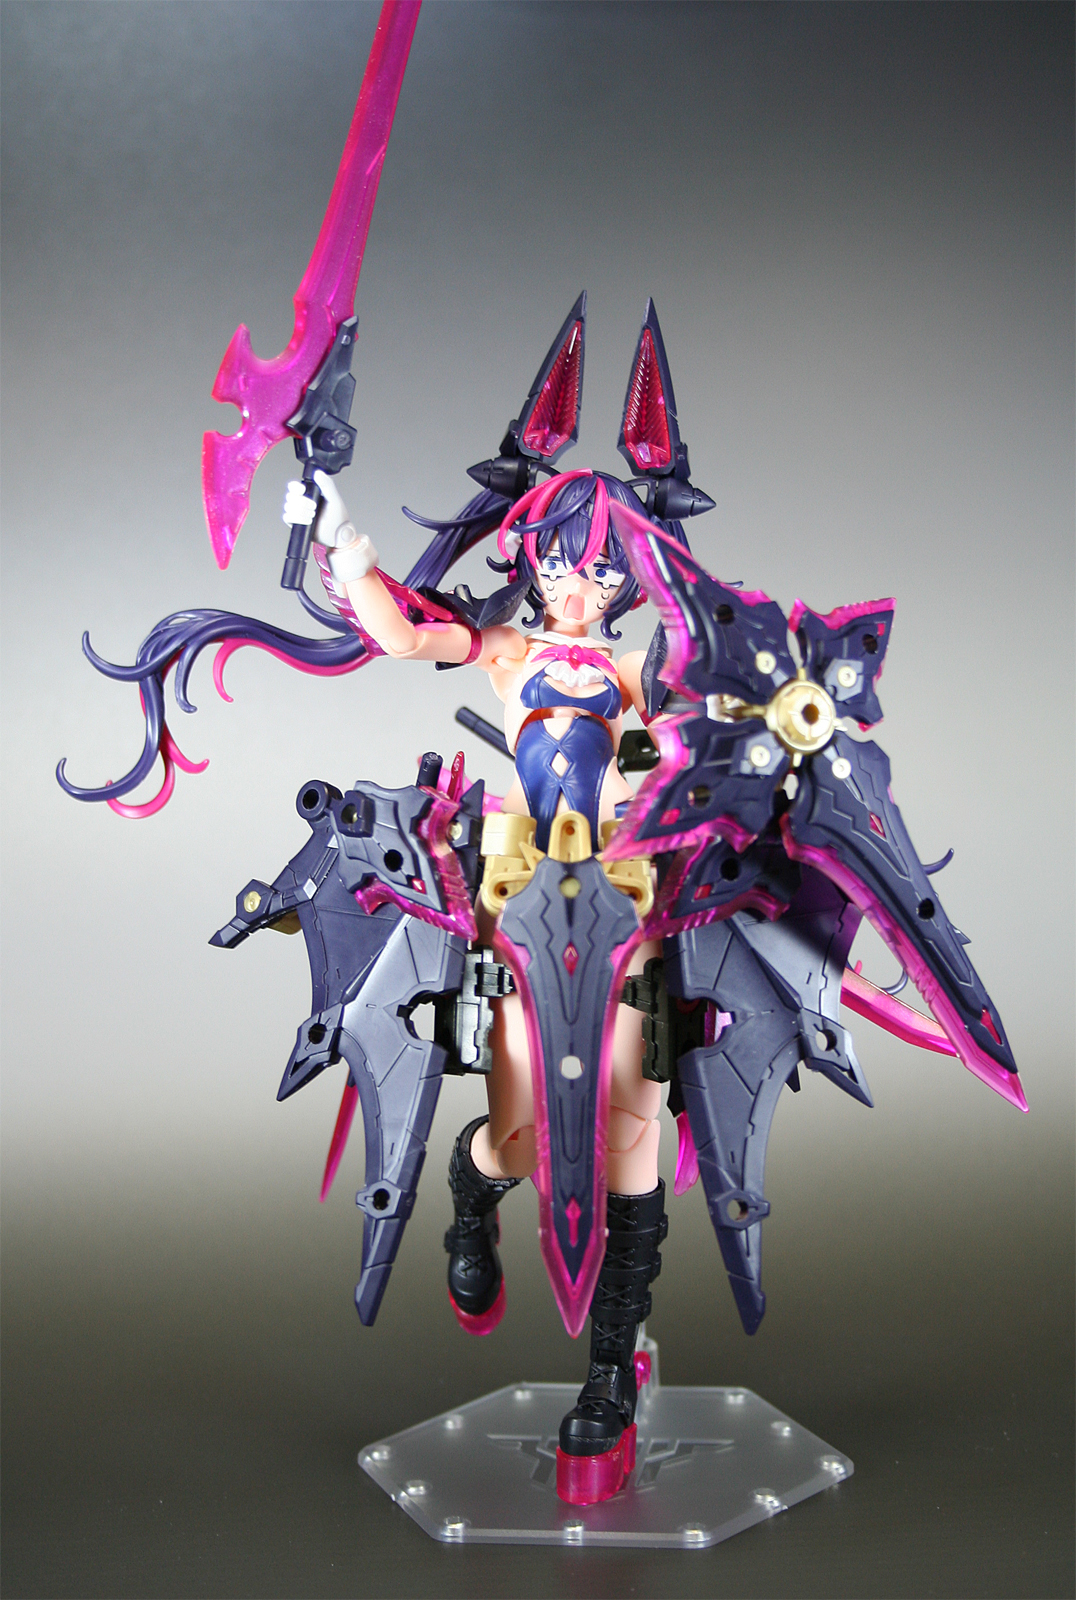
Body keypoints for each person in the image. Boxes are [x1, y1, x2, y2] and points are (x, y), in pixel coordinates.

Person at [284, 464, 672, 1491]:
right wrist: (343, 544)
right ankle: (473, 1191)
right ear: (533, 561)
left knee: (630, 1126)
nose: (578, 588)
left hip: (624, 896)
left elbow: (697, 711)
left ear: (628, 578)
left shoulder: (635, 667)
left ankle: (610, 1377)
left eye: (601, 571)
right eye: (564, 564)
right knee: (520, 1131)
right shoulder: (512, 652)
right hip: (525, 902)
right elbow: (404, 636)